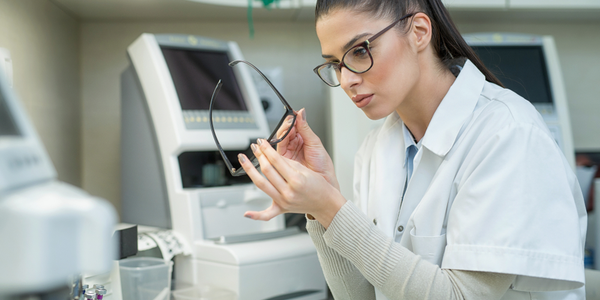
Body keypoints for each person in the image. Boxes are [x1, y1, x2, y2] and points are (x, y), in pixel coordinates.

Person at [236, 0, 587, 299]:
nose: (346, 80)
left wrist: (332, 208)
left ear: (419, 31)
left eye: (359, 51)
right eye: (335, 63)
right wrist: (321, 204)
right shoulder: (377, 148)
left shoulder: (508, 134)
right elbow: (359, 295)